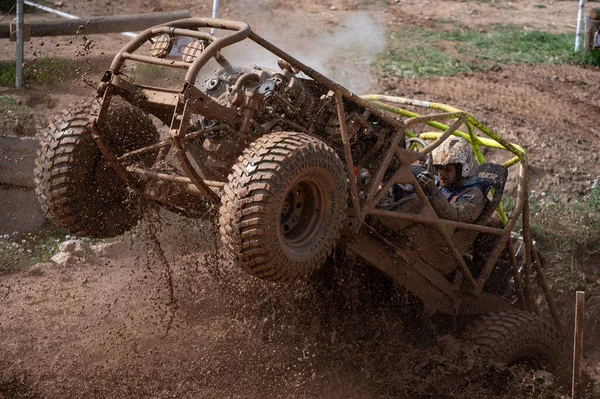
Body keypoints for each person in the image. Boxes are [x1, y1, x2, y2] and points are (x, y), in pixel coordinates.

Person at [416, 136, 487, 224]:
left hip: (445, 235)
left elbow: (454, 217)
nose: (442, 174)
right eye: (440, 168)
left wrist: (432, 191)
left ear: (460, 171)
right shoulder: (435, 183)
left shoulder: (473, 194)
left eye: (448, 170)